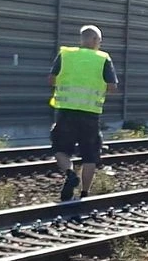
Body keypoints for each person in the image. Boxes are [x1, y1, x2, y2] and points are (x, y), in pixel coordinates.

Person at [48, 25, 118, 201]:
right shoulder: (103, 59)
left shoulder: (65, 54)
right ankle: (84, 194)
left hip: (65, 112)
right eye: (99, 41)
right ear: (94, 40)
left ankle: (70, 174)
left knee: (60, 149)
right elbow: (112, 87)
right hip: (90, 114)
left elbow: (51, 79)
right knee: (90, 155)